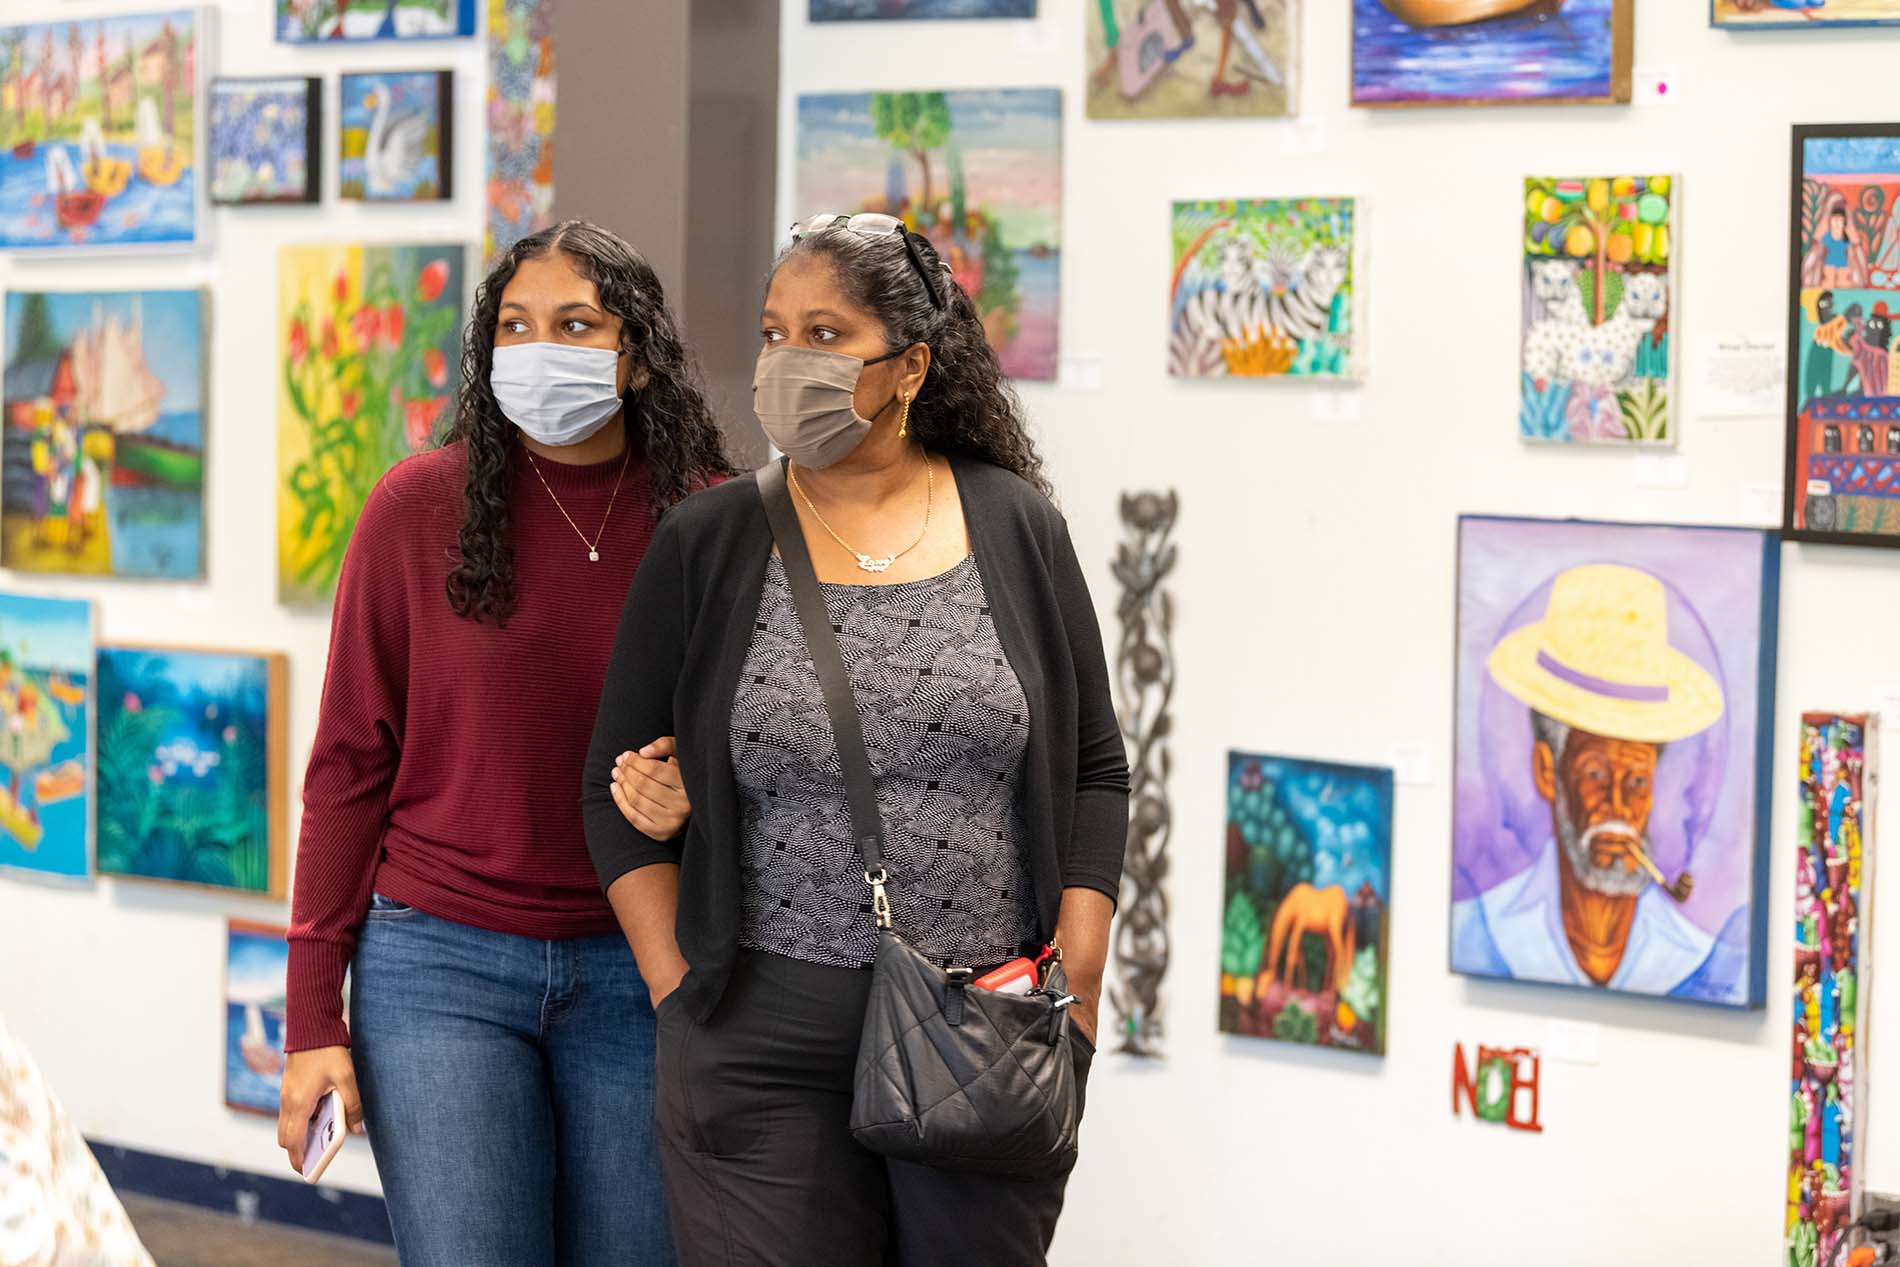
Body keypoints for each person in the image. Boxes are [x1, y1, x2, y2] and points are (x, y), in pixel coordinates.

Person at [582, 213, 1127, 1267]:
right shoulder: (709, 540)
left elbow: (1095, 767)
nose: (787, 363)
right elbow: (611, 796)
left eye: (824, 337)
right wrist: (677, 991)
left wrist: (1083, 969)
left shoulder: (1015, 525)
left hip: (984, 1021)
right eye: (773, 332)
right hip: (760, 1029)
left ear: (911, 365)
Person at [278, 220, 732, 1266]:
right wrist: (312, 1019)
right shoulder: (415, 508)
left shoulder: (711, 523)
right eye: (514, 328)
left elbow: (762, 756)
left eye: (574, 324)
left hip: (642, 965)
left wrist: (696, 797)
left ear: (637, 353)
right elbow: (347, 768)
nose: (539, 350)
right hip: (438, 964)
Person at [1450, 563, 1729, 996]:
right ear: (1548, 772)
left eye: (1636, 781)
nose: (1618, 804)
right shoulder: (1475, 930)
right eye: (1595, 774)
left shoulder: (1698, 959)